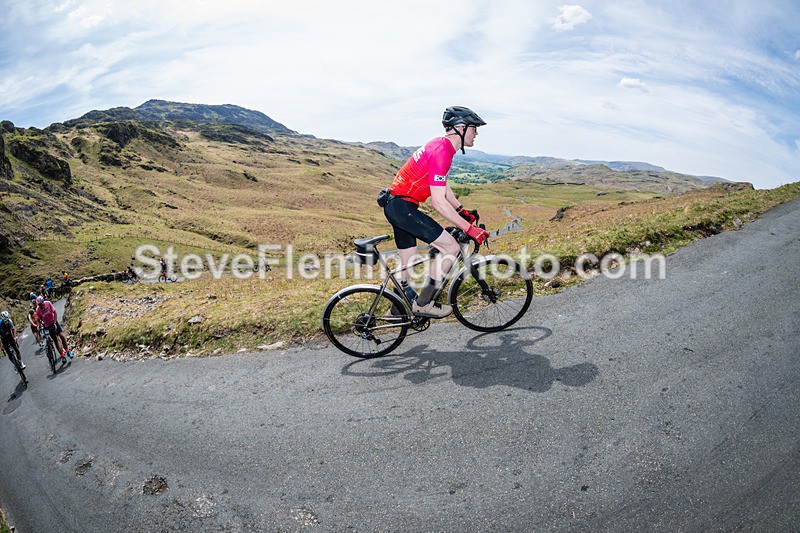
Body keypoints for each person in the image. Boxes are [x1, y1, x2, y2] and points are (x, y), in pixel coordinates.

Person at [382, 106, 490, 318]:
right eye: (474, 128)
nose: (476, 133)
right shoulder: (442, 151)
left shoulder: (440, 146)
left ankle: (396, 308)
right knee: (451, 247)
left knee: (408, 262)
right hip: (403, 208)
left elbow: (441, 185)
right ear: (460, 128)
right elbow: (438, 202)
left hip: (397, 206)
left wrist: (460, 210)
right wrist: (469, 228)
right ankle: (423, 304)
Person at [35, 296, 73, 363]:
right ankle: (62, 355)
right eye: (39, 305)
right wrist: (38, 325)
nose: (40, 306)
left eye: (41, 304)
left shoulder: (48, 303)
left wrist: (55, 322)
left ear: (43, 302)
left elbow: (54, 312)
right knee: (55, 340)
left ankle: (67, 351)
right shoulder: (38, 310)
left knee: (62, 336)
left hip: (53, 322)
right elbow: (38, 319)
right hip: (47, 325)